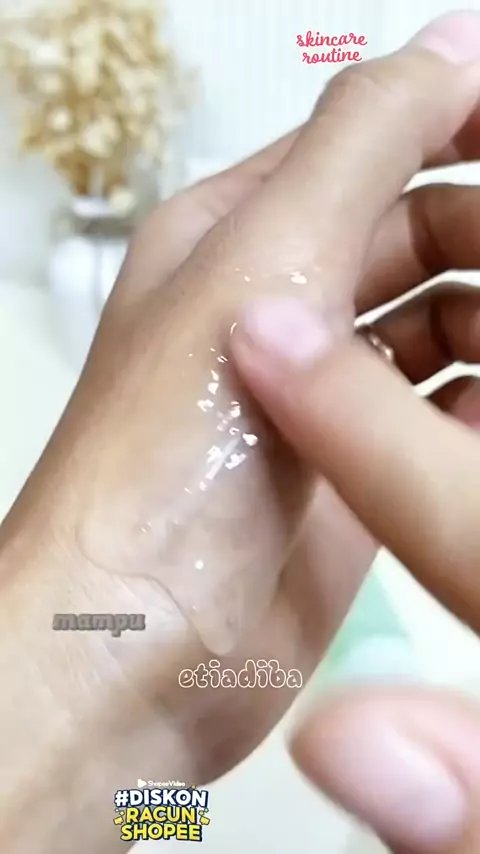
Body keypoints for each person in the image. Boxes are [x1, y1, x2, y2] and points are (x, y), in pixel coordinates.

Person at [2, 10, 480, 853]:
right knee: (205, 815)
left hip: (213, 752)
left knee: (204, 812)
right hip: (208, 754)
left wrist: (82, 735)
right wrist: (88, 727)